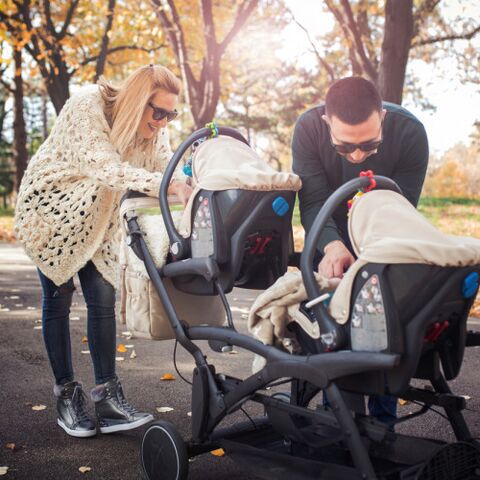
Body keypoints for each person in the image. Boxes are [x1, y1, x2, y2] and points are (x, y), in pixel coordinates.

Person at [14, 65, 192, 438]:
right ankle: (66, 394)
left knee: (102, 297)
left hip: (100, 216)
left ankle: (108, 399)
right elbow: (105, 166)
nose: (163, 121)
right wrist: (167, 183)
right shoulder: (86, 105)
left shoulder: (154, 132)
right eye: (157, 111)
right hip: (53, 208)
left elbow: (167, 169)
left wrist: (189, 183)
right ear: (135, 101)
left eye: (170, 114)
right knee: (58, 297)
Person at [292, 76, 429, 427]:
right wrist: (332, 246)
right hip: (328, 231)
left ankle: (383, 426)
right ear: (327, 123)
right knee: (334, 324)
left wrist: (369, 264)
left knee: (382, 316)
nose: (356, 156)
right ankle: (339, 420)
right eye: (344, 147)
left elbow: (400, 209)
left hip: (383, 232)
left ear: (382, 116)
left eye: (369, 145)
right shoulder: (308, 128)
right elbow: (312, 201)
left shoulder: (411, 133)